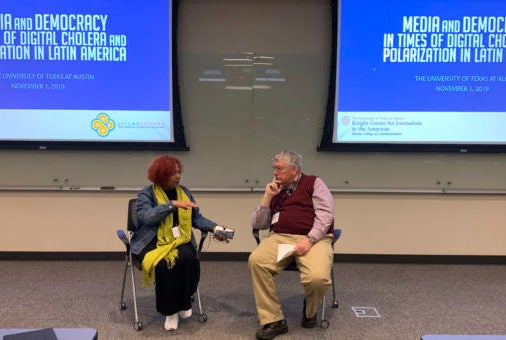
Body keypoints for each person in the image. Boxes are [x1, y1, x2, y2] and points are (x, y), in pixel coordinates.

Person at [130, 154, 227, 331]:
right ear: (161, 175)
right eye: (173, 173)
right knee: (166, 263)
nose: (178, 176)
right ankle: (170, 313)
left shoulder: (185, 192)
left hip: (179, 239)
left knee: (189, 258)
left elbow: (196, 218)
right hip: (152, 241)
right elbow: (147, 217)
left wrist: (215, 228)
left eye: (178, 172)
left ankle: (183, 302)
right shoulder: (146, 193)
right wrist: (171, 205)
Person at [248, 150, 334, 340]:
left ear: (294, 170)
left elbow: (326, 216)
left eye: (279, 169)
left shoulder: (314, 183)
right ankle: (274, 320)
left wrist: (309, 239)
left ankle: (310, 310)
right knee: (257, 261)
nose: (274, 173)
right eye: (274, 168)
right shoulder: (275, 190)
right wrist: (267, 197)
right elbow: (258, 224)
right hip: (280, 237)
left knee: (317, 278)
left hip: (315, 239)